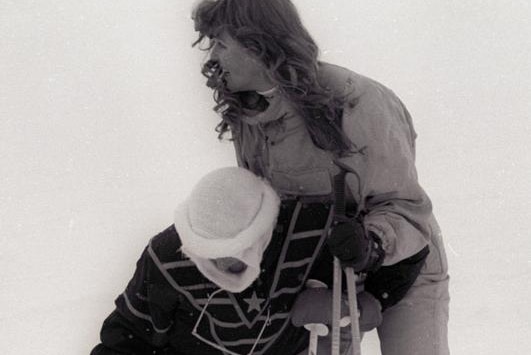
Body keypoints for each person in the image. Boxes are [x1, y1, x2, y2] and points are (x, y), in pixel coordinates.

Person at [191, 1, 450, 354]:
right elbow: (268, 208)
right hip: (327, 272)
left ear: (257, 43)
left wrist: (371, 245)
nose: (212, 59)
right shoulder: (247, 114)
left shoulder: (356, 101)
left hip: (403, 262)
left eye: (221, 44)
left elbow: (406, 205)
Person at [91, 167, 382, 355]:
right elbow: (129, 335)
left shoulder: (308, 227)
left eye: (233, 250)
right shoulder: (167, 256)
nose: (219, 264)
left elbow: (407, 255)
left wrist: (373, 293)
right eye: (208, 252)